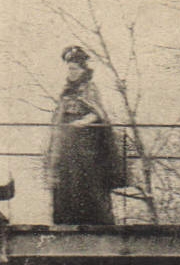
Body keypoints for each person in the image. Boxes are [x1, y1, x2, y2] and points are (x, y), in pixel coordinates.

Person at [42, 46, 121, 225]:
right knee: (66, 180)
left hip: (86, 142)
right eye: (69, 69)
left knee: (86, 179)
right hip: (66, 143)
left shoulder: (90, 88)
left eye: (75, 69)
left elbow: (98, 112)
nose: (71, 72)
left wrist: (83, 122)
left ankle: (93, 221)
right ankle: (66, 220)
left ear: (83, 69)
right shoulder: (66, 90)